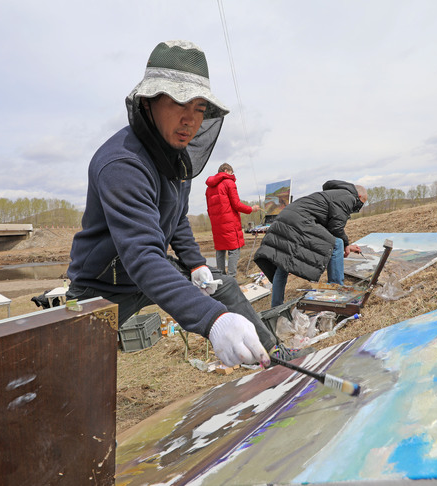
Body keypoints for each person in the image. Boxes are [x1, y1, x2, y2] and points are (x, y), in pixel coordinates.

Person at [66, 40, 303, 367]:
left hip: (149, 272)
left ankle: (276, 357)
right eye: (180, 104)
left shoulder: (177, 159)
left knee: (225, 285)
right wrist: (213, 319)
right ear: (148, 102)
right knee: (74, 364)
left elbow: (175, 220)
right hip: (103, 285)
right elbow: (141, 254)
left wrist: (196, 265)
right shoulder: (122, 163)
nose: (190, 120)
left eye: (200, 109)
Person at [254, 180, 368, 308]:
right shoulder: (348, 197)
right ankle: (336, 290)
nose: (357, 208)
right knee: (337, 244)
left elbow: (328, 228)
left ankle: (276, 306)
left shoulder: (333, 194)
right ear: (358, 197)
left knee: (283, 263)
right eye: (360, 205)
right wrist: (346, 244)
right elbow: (336, 227)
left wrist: (349, 245)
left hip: (284, 218)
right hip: (299, 221)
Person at [205, 163, 259, 278]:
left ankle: (220, 278)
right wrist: (251, 209)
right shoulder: (229, 183)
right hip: (229, 222)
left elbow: (209, 209)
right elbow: (236, 204)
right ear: (226, 170)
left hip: (217, 224)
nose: (232, 175)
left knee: (220, 249)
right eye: (231, 172)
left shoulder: (209, 188)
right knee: (234, 249)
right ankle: (231, 279)